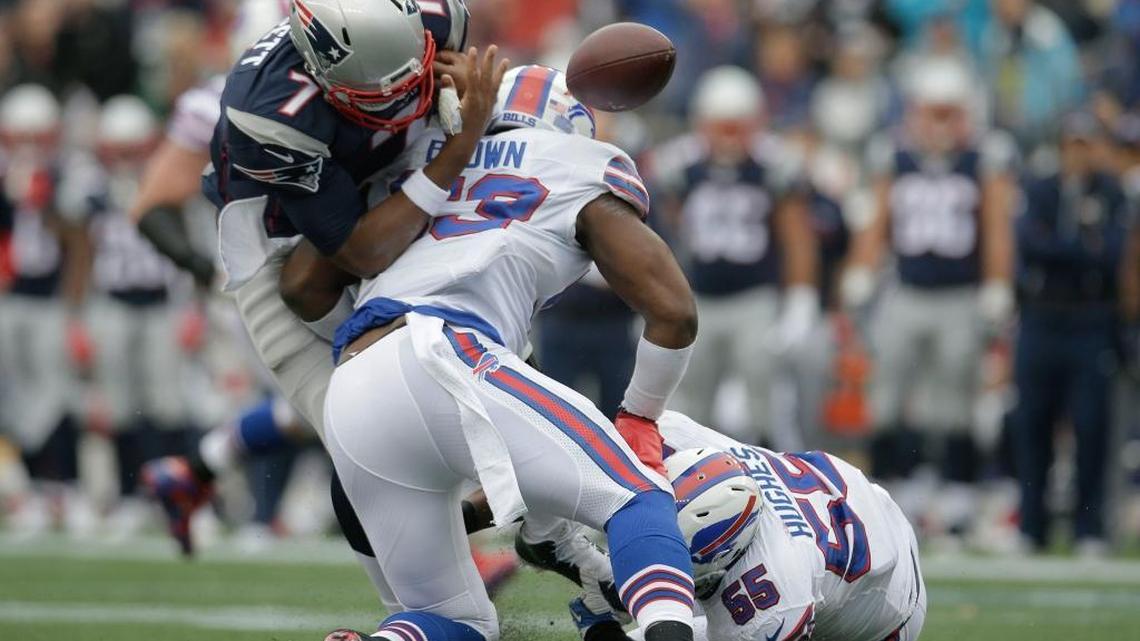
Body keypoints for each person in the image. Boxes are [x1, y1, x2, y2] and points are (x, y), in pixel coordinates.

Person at [321, 65, 698, 641]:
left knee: (458, 623)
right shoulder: (575, 163)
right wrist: (641, 414)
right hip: (445, 351)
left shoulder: (427, 162)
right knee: (639, 495)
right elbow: (674, 312)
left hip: (351, 384)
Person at [842, 57, 1017, 536]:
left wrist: (997, 282)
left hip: (960, 292)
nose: (939, 124)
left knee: (954, 396)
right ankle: (891, 489)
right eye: (932, 112)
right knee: (888, 390)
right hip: (907, 288)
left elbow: (996, 226)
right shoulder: (894, 154)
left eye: (948, 113)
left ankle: (957, 493)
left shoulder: (984, 156)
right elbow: (877, 220)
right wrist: (862, 269)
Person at [609, 411, 925, 641]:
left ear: (723, 555)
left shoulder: (776, 587)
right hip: (849, 501)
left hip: (888, 608)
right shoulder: (674, 435)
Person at [648, 65, 817, 449]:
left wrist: (800, 299)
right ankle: (694, 473)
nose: (727, 139)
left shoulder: (774, 165)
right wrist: (653, 296)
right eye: (720, 126)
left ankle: (775, 471)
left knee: (764, 392)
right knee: (691, 398)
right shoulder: (680, 165)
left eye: (736, 127)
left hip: (754, 298)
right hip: (698, 298)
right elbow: (659, 235)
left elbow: (796, 236)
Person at [60, 95, 197, 536]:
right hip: (112, 304)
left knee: (168, 407)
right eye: (116, 148)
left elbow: (191, 246)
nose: (123, 157)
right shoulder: (90, 187)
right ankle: (127, 495)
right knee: (118, 410)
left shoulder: (168, 181)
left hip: (161, 303)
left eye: (131, 147)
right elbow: (79, 251)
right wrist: (77, 315)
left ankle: (179, 497)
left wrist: (192, 307)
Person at [1013, 113, 1131, 555]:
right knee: (1032, 424)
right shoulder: (1041, 188)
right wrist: (1083, 248)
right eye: (1073, 144)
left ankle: (1088, 528)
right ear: (1062, 147)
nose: (1079, 154)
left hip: (1090, 319)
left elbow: (1112, 254)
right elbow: (1031, 244)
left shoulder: (1111, 192)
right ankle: (1031, 526)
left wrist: (1069, 253)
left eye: (1086, 144)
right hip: (1042, 318)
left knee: (1091, 425)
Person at [0, 83, 85, 535]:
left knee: (56, 397)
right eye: (21, 135)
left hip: (50, 300)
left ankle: (65, 488)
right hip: (10, 299)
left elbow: (78, 236)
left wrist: (42, 198)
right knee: (14, 401)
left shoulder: (68, 172)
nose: (30, 144)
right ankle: (30, 490)